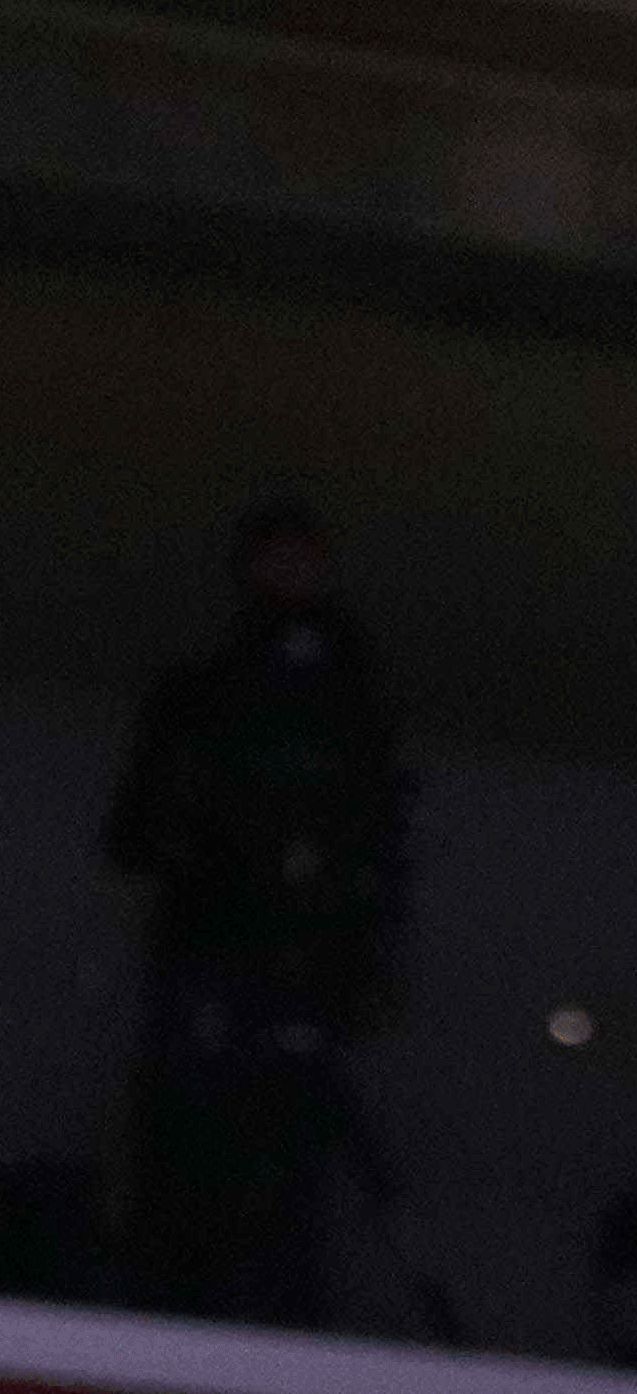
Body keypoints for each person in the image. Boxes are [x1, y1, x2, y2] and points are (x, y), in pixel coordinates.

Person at [105, 498, 408, 1328]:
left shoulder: (354, 711)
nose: (293, 578)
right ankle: (165, 1311)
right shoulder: (200, 698)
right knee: (190, 1143)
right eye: (278, 559)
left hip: (304, 974)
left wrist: (363, 958)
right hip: (211, 960)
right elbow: (134, 836)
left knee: (289, 1155)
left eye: (306, 559)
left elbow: (378, 842)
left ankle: (277, 1321)